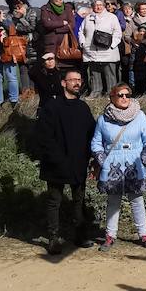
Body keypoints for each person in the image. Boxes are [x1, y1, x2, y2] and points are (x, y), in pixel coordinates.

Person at [35, 68, 97, 254]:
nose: (77, 83)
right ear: (64, 83)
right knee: (54, 201)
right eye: (72, 80)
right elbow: (45, 138)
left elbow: (92, 135)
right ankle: (53, 239)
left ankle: (79, 235)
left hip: (78, 163)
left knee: (79, 200)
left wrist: (91, 157)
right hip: (57, 164)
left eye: (79, 80)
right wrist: (58, 160)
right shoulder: (51, 107)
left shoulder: (83, 107)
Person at [91, 84, 146, 252]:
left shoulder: (139, 115)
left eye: (127, 95)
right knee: (113, 201)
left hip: (134, 162)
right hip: (112, 162)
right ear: (112, 97)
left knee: (137, 200)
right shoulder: (103, 119)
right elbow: (96, 143)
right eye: (120, 95)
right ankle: (110, 236)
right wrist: (102, 160)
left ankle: (143, 234)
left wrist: (144, 159)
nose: (124, 98)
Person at [79, 0, 122, 96]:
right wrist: (83, 43)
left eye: (100, 5)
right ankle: (95, 92)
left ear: (104, 6)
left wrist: (112, 45)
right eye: (96, 5)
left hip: (108, 51)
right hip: (92, 50)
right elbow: (81, 32)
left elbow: (118, 32)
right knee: (94, 74)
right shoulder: (87, 18)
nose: (98, 7)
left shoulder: (112, 17)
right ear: (93, 6)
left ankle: (111, 93)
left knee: (110, 74)